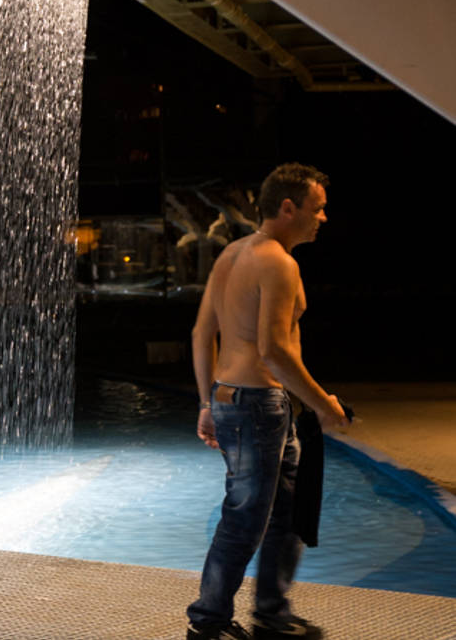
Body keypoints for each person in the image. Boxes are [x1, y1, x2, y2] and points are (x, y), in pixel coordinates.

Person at [185, 164, 350, 640]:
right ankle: (208, 624)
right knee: (245, 518)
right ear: (287, 207)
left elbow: (201, 334)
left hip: (237, 400)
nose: (323, 218)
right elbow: (273, 351)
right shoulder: (279, 262)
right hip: (260, 405)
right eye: (317, 209)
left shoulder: (232, 254)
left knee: (286, 511)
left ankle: (271, 613)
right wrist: (322, 404)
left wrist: (206, 402)